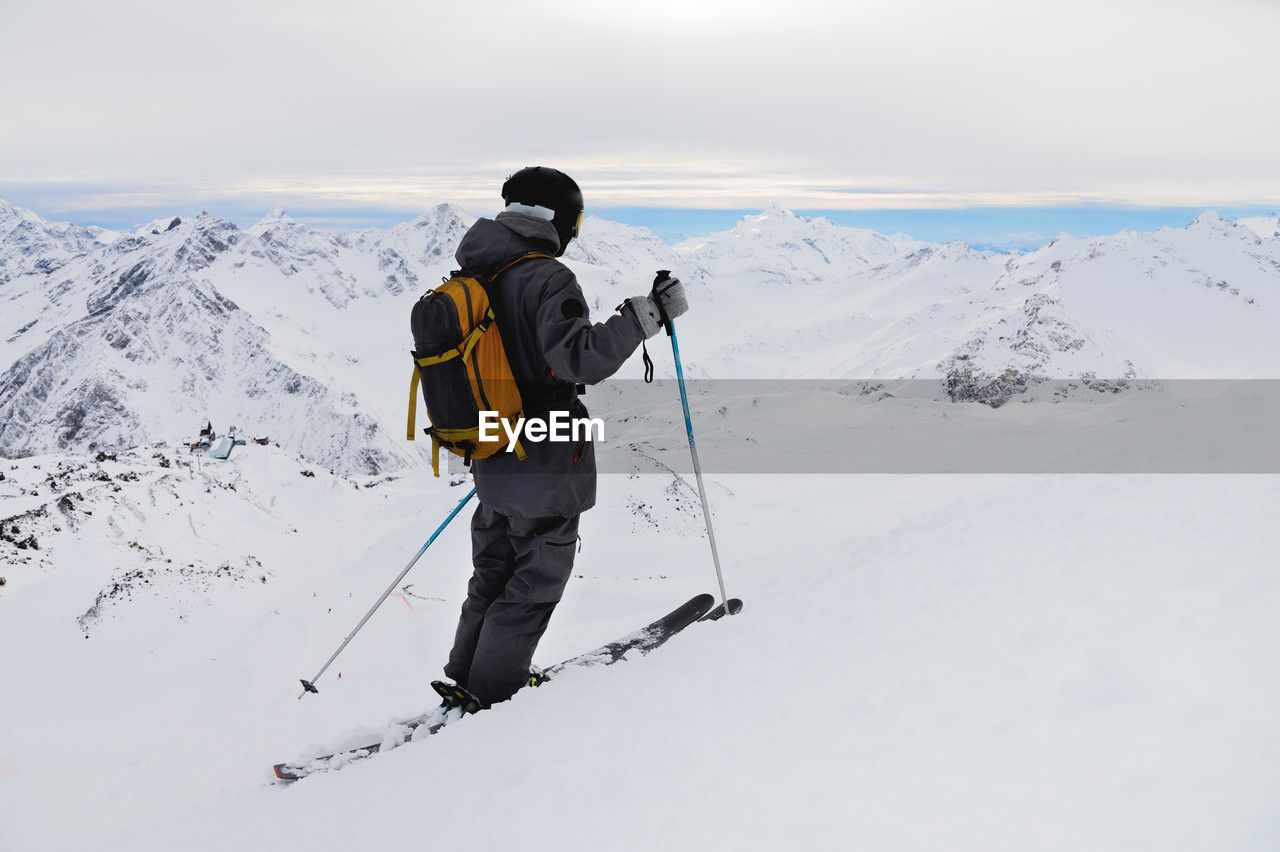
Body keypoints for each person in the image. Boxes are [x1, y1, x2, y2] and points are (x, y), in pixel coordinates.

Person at [440, 166, 688, 707]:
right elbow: (581, 358)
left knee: (492, 569)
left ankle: (466, 675)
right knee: (534, 580)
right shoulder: (545, 278)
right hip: (543, 455)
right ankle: (494, 690)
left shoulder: (475, 272)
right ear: (560, 218)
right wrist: (647, 317)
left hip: (493, 447)